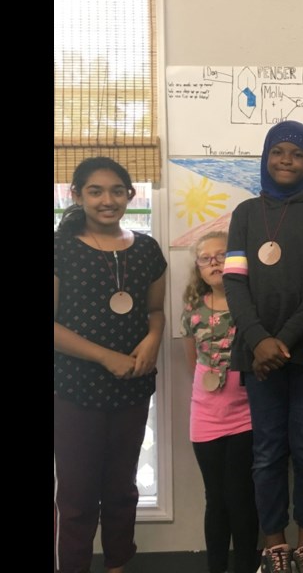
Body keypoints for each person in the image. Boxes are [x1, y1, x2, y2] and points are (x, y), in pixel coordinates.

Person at [224, 120, 303, 573]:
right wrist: (259, 340)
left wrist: (284, 340)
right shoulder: (244, 213)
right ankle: (275, 546)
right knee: (268, 452)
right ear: (265, 156)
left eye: (297, 154)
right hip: (258, 358)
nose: (286, 161)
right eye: (278, 152)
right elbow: (234, 284)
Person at [54, 157, 167, 573]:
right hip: (74, 391)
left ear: (130, 196)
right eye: (96, 191)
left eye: (117, 190)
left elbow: (155, 310)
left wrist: (153, 340)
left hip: (132, 388)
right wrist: (105, 357)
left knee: (122, 491)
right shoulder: (60, 247)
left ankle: (118, 565)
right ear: (77, 195)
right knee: (78, 498)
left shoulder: (147, 249)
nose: (108, 200)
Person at [181, 231, 259, 573]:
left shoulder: (251, 305)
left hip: (247, 413)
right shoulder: (192, 309)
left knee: (241, 496)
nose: (214, 263)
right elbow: (191, 361)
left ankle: (244, 566)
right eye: (205, 258)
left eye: (221, 255)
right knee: (216, 498)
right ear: (198, 269)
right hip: (206, 414)